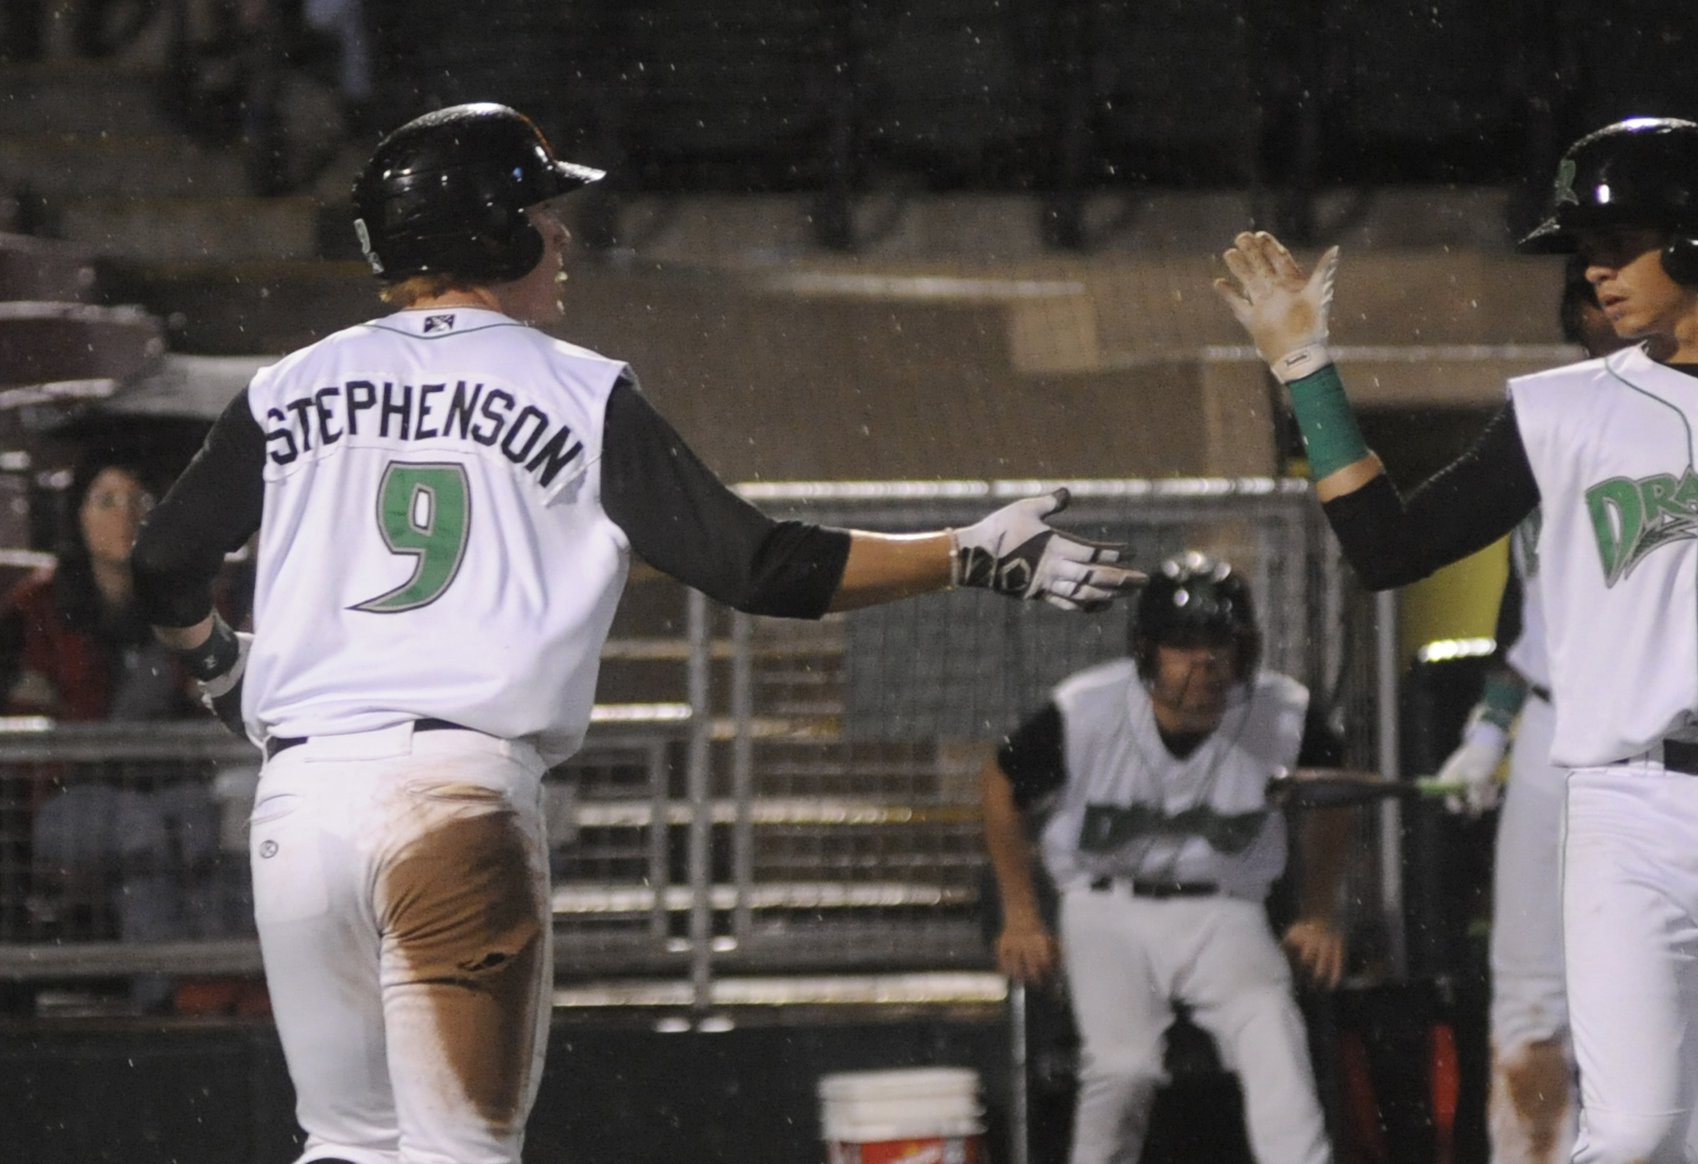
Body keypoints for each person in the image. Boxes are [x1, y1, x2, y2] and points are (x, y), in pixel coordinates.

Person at [129, 101, 1145, 1164]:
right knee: (456, 1153)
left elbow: (164, 562)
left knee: (340, 1144)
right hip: (455, 799)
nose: (559, 231)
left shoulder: (289, 384)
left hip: (299, 798)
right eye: (540, 209)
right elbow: (759, 566)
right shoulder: (578, 391)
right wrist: (963, 553)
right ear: (492, 234)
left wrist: (217, 668)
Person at [1213, 117, 1698, 1164]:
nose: (1591, 269)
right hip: (1634, 809)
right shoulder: (1560, 411)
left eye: (1614, 241)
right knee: (1627, 1133)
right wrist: (1305, 369)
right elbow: (1387, 547)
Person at [981, 551, 1352, 1164]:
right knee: (1124, 1067)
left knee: (1275, 1035)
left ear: (1244, 649)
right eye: (1183, 644)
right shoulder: (1089, 709)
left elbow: (1331, 795)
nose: (1202, 661)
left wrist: (1317, 912)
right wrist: (1020, 914)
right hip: (1105, 908)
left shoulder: (1284, 713)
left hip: (1227, 910)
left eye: (1217, 643)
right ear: (1149, 651)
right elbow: (1000, 784)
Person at [1431, 263, 1625, 1164]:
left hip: (1648, 748)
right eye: (1592, 306)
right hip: (1551, 734)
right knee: (1529, 994)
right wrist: (1488, 731)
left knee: (1640, 996)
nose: (1608, 318)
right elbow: (1525, 624)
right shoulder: (1545, 430)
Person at [8, 452, 230, 1014]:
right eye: (106, 501)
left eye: (142, 503)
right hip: (67, 800)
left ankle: (211, 990)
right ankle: (164, 994)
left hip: (167, 787)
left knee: (200, 822)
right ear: (76, 515)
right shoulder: (36, 608)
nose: (125, 517)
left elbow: (211, 700)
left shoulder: (181, 600)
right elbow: (29, 728)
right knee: (142, 830)